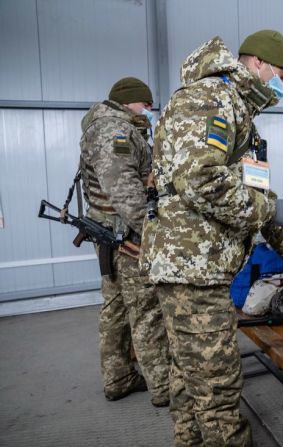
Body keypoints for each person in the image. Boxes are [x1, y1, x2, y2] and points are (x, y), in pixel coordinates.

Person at [140, 31, 283, 446]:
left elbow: (248, 193)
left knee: (189, 375)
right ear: (257, 64)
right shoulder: (208, 99)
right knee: (217, 385)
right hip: (191, 268)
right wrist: (270, 209)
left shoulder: (237, 109)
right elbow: (200, 180)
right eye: (282, 75)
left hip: (203, 267)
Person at [79, 77, 170, 406]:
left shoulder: (110, 126)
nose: (148, 109)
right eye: (145, 103)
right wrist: (154, 235)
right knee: (146, 310)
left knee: (115, 308)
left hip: (111, 233)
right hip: (126, 236)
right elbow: (125, 192)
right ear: (129, 100)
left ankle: (118, 377)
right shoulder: (114, 131)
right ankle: (163, 387)